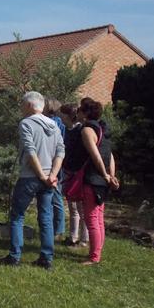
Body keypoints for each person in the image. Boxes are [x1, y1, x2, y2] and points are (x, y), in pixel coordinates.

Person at [0, 91, 64, 270]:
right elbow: (60, 151)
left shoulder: (26, 123)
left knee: (17, 215)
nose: (20, 108)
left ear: (29, 106)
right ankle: (46, 258)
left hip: (30, 177)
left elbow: (30, 151)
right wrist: (53, 175)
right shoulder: (54, 124)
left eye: (22, 104)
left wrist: (42, 176)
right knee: (46, 217)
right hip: (49, 178)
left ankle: (15, 256)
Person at [78, 98, 119, 265]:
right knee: (99, 216)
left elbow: (95, 155)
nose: (78, 112)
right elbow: (110, 155)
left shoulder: (87, 130)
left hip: (94, 178)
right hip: (103, 179)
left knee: (91, 218)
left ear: (86, 113)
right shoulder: (103, 129)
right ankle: (97, 252)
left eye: (80, 109)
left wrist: (104, 174)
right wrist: (111, 176)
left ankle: (94, 257)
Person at [58, 103, 89, 247]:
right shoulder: (67, 130)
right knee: (72, 207)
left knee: (81, 207)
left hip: (79, 173)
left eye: (61, 114)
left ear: (66, 116)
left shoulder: (81, 130)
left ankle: (84, 239)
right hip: (69, 171)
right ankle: (73, 236)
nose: (60, 117)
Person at [43, 98, 66, 239]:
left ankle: (58, 229)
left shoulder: (55, 122)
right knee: (52, 196)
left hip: (53, 163)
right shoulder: (58, 122)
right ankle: (53, 227)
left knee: (56, 196)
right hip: (54, 161)